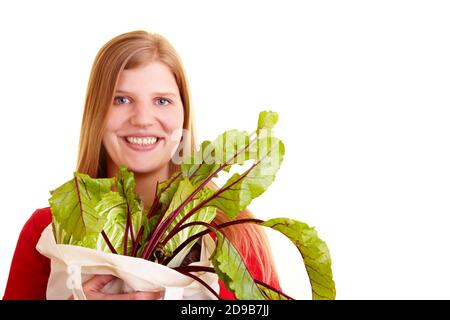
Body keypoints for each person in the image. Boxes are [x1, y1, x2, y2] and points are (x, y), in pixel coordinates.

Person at [3, 30, 280, 300]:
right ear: (96, 113)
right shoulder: (50, 230)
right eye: (121, 100)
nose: (142, 119)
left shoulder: (235, 233)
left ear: (184, 114)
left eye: (162, 101)